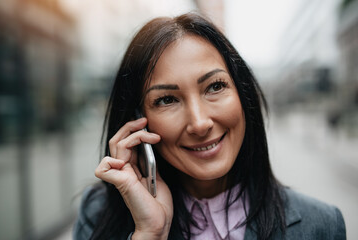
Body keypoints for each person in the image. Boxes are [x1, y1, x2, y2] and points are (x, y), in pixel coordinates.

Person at [73, 13, 346, 240]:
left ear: (242, 94)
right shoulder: (97, 214)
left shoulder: (321, 225)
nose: (200, 123)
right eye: (167, 99)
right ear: (137, 122)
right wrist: (150, 232)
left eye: (215, 86)